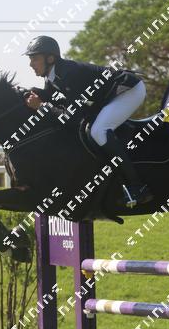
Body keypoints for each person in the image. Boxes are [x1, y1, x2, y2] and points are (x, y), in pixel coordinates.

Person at [22, 35, 153, 208]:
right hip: (109, 95)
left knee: (98, 131)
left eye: (35, 59)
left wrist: (41, 106)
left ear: (50, 58)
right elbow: (50, 97)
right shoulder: (52, 76)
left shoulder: (69, 74)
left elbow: (71, 117)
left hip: (128, 90)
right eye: (30, 59)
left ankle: (138, 187)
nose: (31, 64)